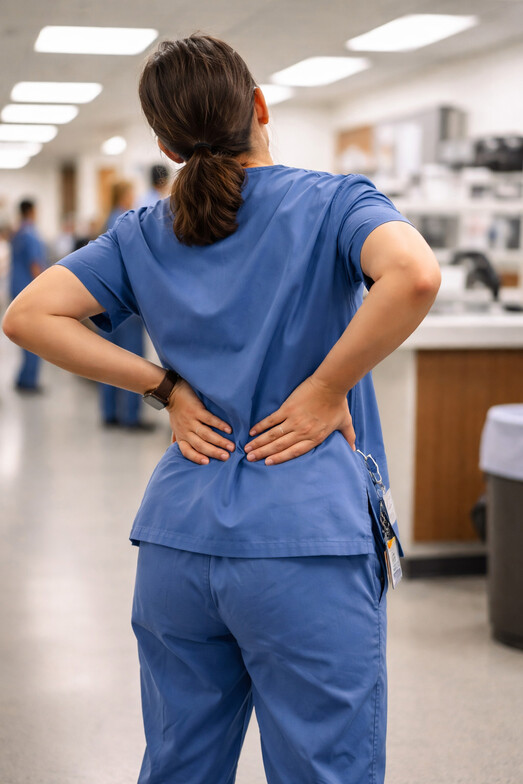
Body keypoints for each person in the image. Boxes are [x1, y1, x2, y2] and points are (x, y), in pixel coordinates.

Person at [2, 34, 441, 784]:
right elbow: (414, 275)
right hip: (304, 546)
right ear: (260, 107)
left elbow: (27, 316)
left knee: (180, 765)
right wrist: (325, 388)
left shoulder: (142, 233)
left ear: (169, 146)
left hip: (179, 543)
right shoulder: (334, 202)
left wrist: (163, 389)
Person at [98, 180, 155, 431]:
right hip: (127, 305)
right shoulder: (127, 221)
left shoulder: (108, 219)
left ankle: (109, 413)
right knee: (132, 360)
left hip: (105, 302)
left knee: (108, 361)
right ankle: (131, 417)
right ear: (125, 194)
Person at [8, 199, 47, 392]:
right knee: (34, 337)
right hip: (29, 289)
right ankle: (28, 381)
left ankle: (23, 378)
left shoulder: (17, 233)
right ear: (31, 211)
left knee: (24, 336)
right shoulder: (31, 233)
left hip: (16, 287)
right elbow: (35, 265)